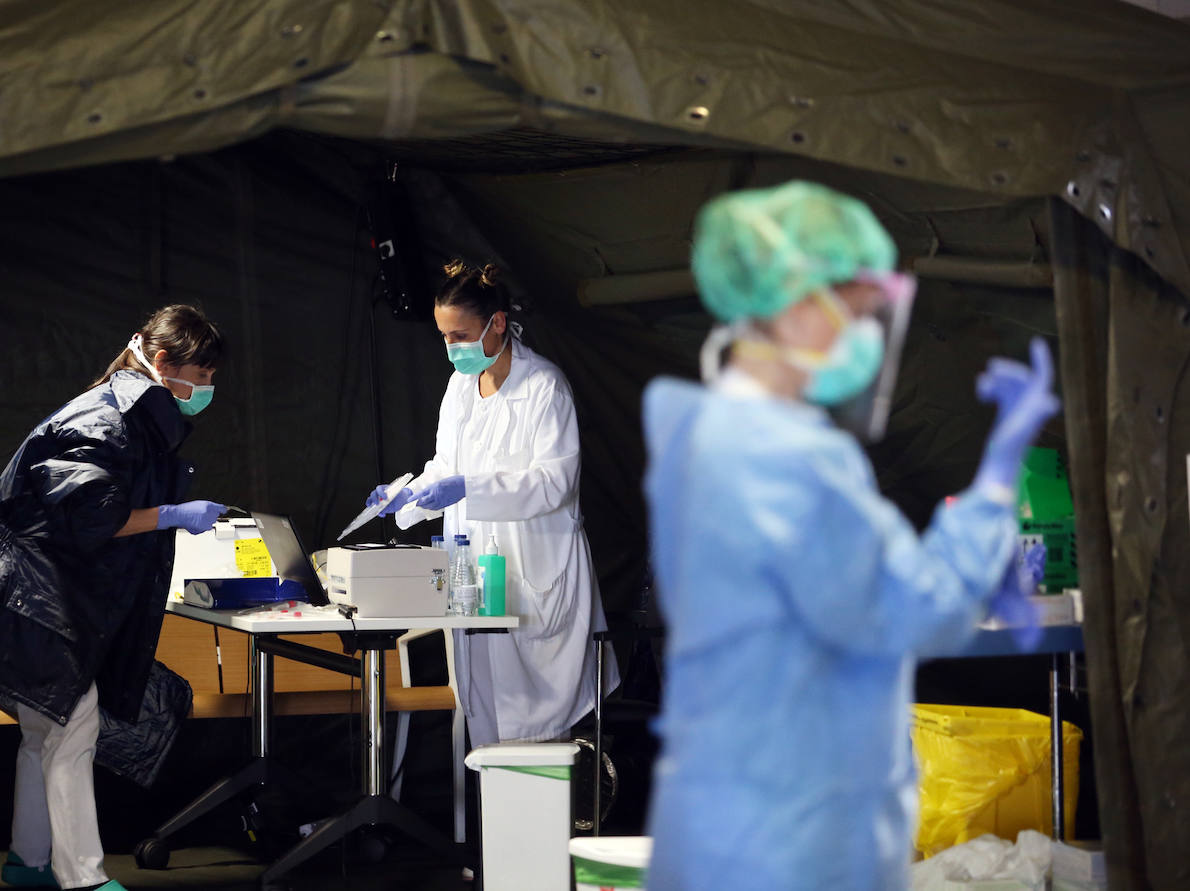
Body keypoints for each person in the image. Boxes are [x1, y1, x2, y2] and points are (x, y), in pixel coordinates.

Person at [641, 181, 1059, 889]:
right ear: (799, 304)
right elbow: (913, 610)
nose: (866, 338)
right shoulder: (783, 461)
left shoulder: (708, 433)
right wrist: (996, 484)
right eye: (860, 314)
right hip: (792, 834)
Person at [0, 305, 228, 891]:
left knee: (44, 733)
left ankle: (28, 861)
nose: (208, 388)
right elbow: (95, 520)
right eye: (203, 375)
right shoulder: (102, 421)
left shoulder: (126, 415)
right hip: (33, 598)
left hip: (37, 594)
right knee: (71, 726)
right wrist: (172, 514)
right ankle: (82, 878)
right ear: (162, 361)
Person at [367, 261, 617, 745]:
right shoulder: (460, 387)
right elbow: (445, 467)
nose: (451, 348)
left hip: (536, 578)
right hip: (474, 579)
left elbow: (554, 482)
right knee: (487, 728)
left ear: (497, 322)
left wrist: (470, 488)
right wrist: (407, 496)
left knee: (537, 740)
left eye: (460, 335)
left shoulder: (544, 386)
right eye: (444, 337)